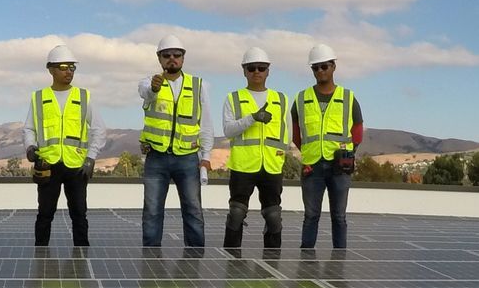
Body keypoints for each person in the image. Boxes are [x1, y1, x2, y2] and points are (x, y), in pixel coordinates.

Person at [25, 43, 107, 247]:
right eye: (63, 67)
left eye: (72, 67)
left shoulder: (83, 96)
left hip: (76, 166)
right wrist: (30, 147)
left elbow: (99, 129)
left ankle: (81, 257)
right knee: (45, 214)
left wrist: (91, 158)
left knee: (79, 214)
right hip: (48, 165)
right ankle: (41, 257)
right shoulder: (38, 97)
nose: (69, 71)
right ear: (51, 69)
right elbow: (29, 129)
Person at [136, 33, 211, 248]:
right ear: (159, 58)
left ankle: (195, 258)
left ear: (183, 58)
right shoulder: (149, 83)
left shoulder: (198, 85)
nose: (172, 58)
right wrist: (154, 87)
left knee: (193, 210)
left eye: (176, 55)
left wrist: (205, 157)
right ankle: (151, 260)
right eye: (166, 55)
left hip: (187, 158)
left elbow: (205, 124)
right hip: (156, 157)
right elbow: (146, 93)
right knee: (152, 211)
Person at [291, 42, 363, 250]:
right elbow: (295, 131)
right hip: (312, 165)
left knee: (339, 216)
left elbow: (357, 128)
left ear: (333, 67)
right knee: (311, 215)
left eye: (324, 66)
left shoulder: (348, 97)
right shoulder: (302, 98)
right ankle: (306, 263)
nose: (320, 71)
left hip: (340, 167)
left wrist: (349, 152)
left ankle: (338, 261)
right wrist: (306, 149)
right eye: (315, 67)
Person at [220, 45, 287, 250]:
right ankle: (231, 258)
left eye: (261, 67)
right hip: (243, 166)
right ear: (244, 71)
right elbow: (228, 130)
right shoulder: (233, 98)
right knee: (237, 214)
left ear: (268, 70)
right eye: (251, 68)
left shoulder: (281, 99)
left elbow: (286, 134)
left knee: (274, 217)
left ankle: (272, 261)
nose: (256, 72)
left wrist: (281, 157)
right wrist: (252, 118)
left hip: (271, 166)